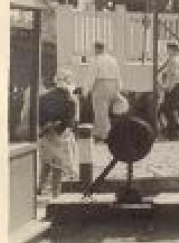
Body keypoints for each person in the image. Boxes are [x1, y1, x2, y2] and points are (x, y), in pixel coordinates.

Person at [38, 70, 79, 198]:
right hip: (61, 135)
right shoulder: (71, 99)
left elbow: (40, 117)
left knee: (46, 162)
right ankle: (56, 194)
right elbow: (70, 122)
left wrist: (46, 126)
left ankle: (40, 187)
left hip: (45, 133)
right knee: (58, 167)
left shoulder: (43, 97)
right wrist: (58, 127)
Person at [88, 41, 121, 141]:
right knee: (107, 111)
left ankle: (106, 135)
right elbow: (118, 74)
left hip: (101, 85)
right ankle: (99, 133)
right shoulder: (112, 59)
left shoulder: (96, 60)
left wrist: (87, 89)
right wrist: (118, 88)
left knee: (101, 111)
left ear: (97, 49)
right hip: (113, 84)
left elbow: (91, 76)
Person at [158, 42, 179, 139]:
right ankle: (175, 130)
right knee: (171, 110)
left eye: (168, 49)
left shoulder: (173, 61)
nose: (167, 52)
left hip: (173, 88)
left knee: (167, 110)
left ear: (172, 50)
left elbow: (173, 76)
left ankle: (175, 131)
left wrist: (168, 88)